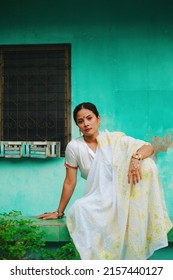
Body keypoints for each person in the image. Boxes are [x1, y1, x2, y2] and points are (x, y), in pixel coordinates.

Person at [37, 102, 172, 260]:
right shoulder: (74, 147)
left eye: (89, 118)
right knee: (79, 208)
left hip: (123, 196)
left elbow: (148, 148)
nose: (86, 124)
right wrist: (59, 211)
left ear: (98, 119)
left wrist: (135, 158)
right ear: (77, 125)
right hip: (98, 199)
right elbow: (69, 181)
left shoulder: (114, 140)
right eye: (80, 121)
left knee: (146, 164)